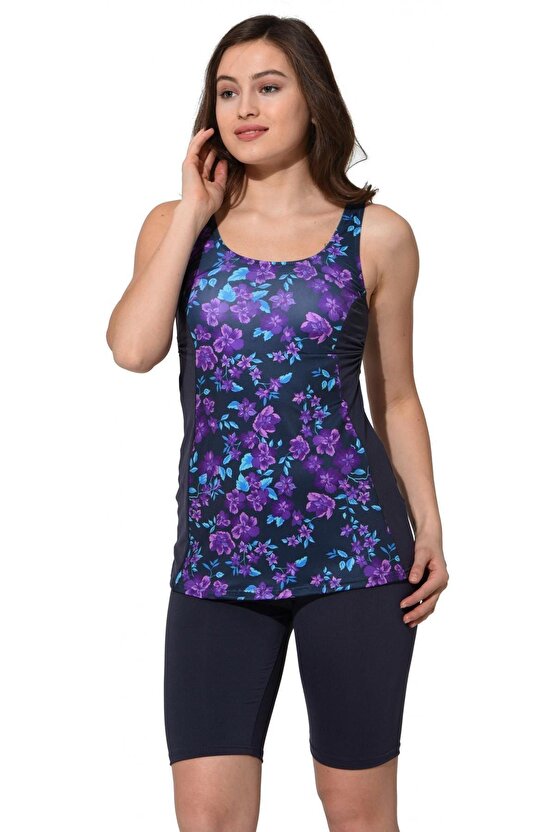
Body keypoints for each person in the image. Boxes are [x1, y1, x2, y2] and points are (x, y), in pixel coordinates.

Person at [106, 14, 449, 832]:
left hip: (356, 556)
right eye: (227, 92)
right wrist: (194, 210)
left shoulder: (378, 236)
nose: (245, 108)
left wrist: (429, 523)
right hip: (216, 560)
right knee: (209, 819)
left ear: (313, 100)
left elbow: (396, 396)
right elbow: (133, 349)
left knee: (356, 813)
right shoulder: (175, 225)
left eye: (267, 87)